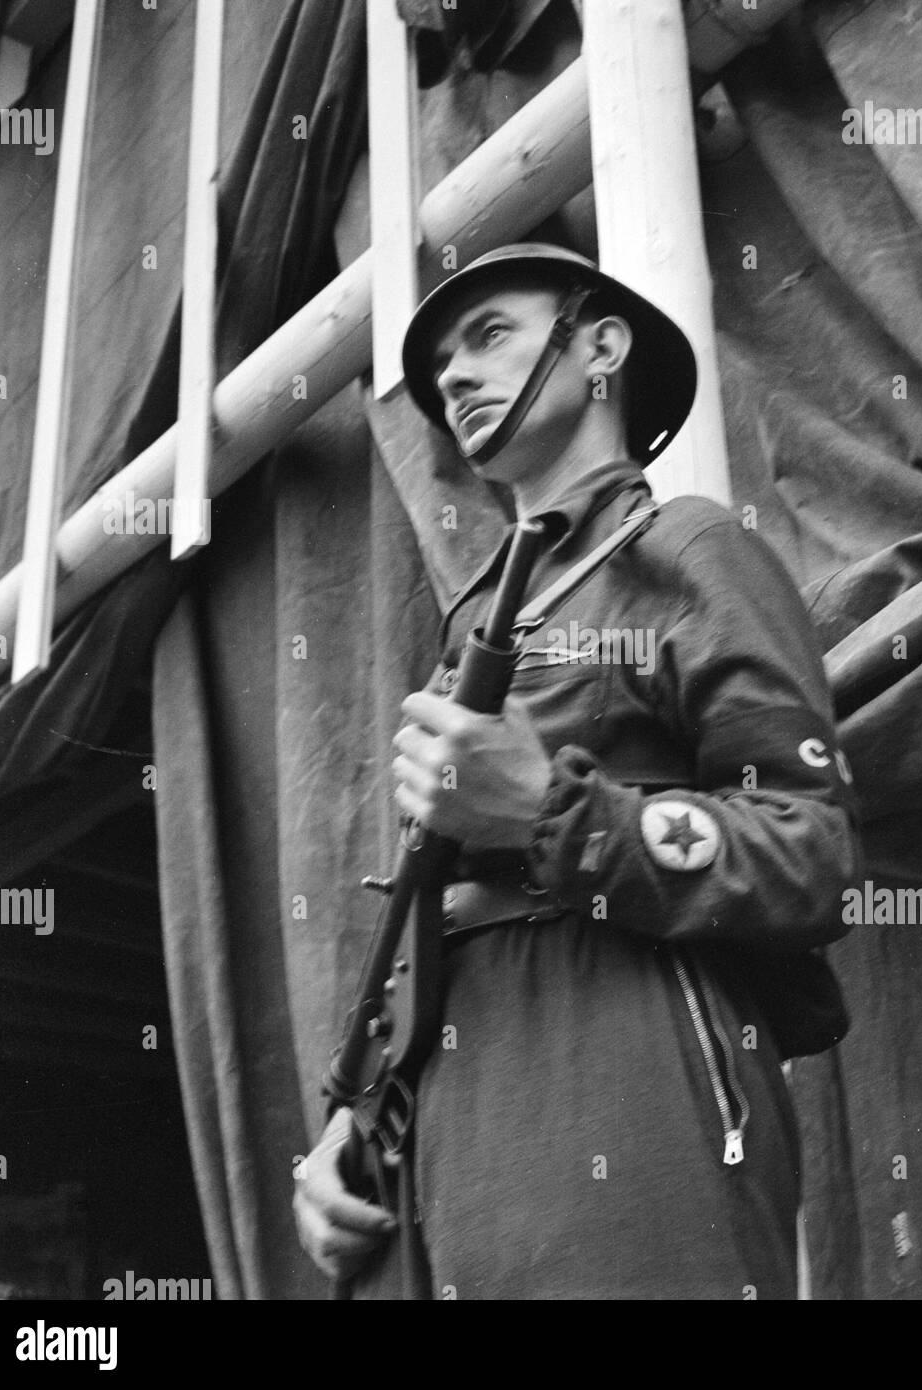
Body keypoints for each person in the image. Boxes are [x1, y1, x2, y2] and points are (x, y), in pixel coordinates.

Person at [293, 243, 860, 1299]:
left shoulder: (688, 549)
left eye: (490, 334)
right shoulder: (473, 623)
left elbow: (809, 851)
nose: (453, 375)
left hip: (616, 1064)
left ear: (601, 346)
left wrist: (554, 812)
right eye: (441, 360)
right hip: (441, 1123)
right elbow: (426, 904)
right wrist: (351, 1116)